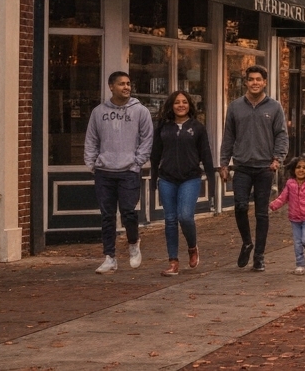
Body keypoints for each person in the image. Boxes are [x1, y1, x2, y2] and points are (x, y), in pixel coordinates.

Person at [219, 65, 288, 273]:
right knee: (240, 206)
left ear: (265, 82)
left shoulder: (274, 107)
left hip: (264, 167)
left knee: (261, 214)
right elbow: (229, 136)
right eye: (251, 79)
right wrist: (224, 163)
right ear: (246, 82)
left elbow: (282, 135)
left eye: (259, 79)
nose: (255, 83)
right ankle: (247, 242)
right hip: (241, 166)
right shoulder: (235, 107)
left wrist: (277, 159)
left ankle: (259, 256)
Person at [85, 71, 153, 274]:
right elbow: (91, 139)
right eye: (122, 84)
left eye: (128, 84)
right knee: (106, 215)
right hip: (104, 171)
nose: (126, 87)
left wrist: (136, 162)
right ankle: (110, 257)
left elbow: (147, 139)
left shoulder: (140, 111)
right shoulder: (98, 112)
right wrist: (92, 163)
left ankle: (133, 243)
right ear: (111, 87)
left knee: (128, 212)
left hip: (128, 171)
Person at [150, 90, 216, 276]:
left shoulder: (197, 128)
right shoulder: (163, 127)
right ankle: (173, 262)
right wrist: (154, 179)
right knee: (170, 220)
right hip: (167, 179)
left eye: (184, 102)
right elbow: (155, 156)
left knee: (185, 216)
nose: (181, 105)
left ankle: (192, 247)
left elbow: (206, 155)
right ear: (171, 105)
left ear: (189, 105)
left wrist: (211, 181)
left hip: (190, 178)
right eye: (177, 102)